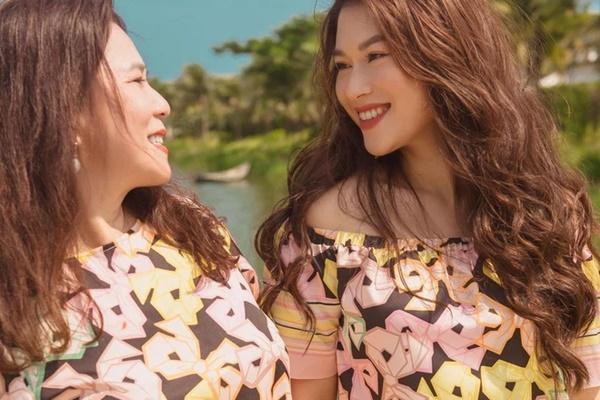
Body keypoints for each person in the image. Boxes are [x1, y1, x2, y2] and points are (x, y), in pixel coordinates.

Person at [256, 0, 600, 399]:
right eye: (342, 66)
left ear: (445, 52)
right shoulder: (321, 236)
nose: (352, 88)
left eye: (375, 56)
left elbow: (588, 385)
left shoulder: (545, 217)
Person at [0, 0, 291, 398]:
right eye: (136, 81)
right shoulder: (14, 291)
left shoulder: (195, 232)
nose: (163, 105)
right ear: (65, 112)